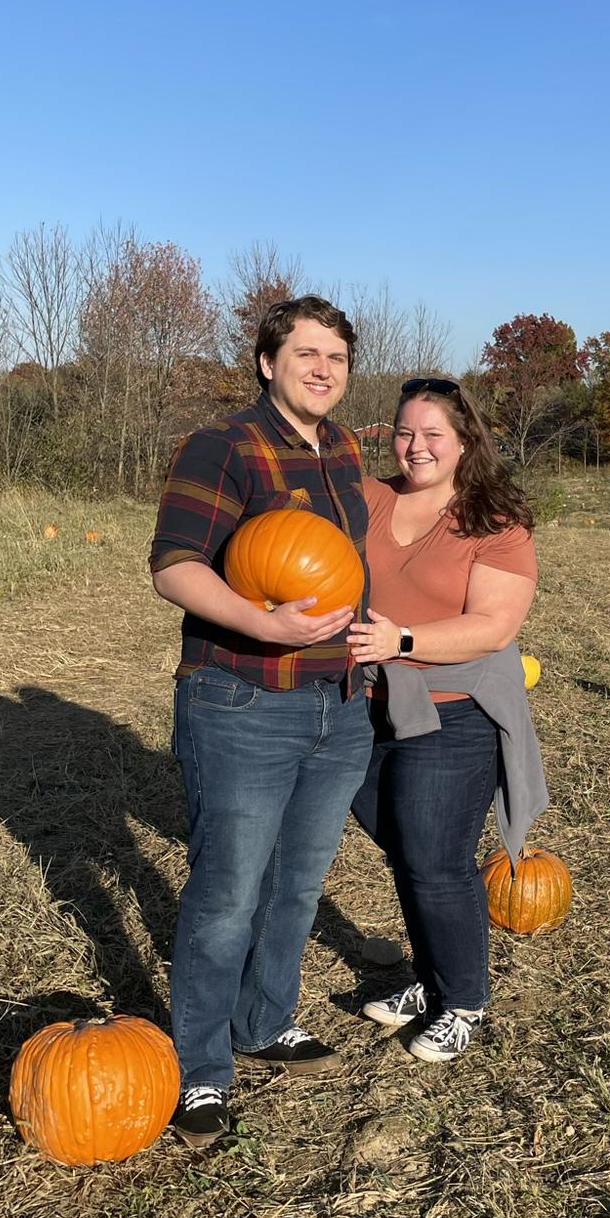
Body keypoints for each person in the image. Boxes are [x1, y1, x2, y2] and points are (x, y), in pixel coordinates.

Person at [149, 295, 373, 1148]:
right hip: (243, 700)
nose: (323, 369)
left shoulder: (347, 450)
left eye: (337, 358)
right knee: (226, 895)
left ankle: (264, 1018)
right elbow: (173, 567)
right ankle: (202, 1068)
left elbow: (349, 566)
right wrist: (265, 624)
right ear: (267, 362)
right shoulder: (225, 445)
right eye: (307, 353)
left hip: (339, 703)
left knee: (298, 883)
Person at [347, 377, 548, 1063]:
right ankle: (431, 979)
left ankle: (463, 998)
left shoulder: (494, 520)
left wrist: (402, 641)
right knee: (405, 849)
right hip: (368, 702)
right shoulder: (369, 498)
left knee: (436, 861)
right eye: (405, 432)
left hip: (453, 711)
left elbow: (492, 627)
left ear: (464, 441)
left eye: (433, 433)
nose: (416, 446)